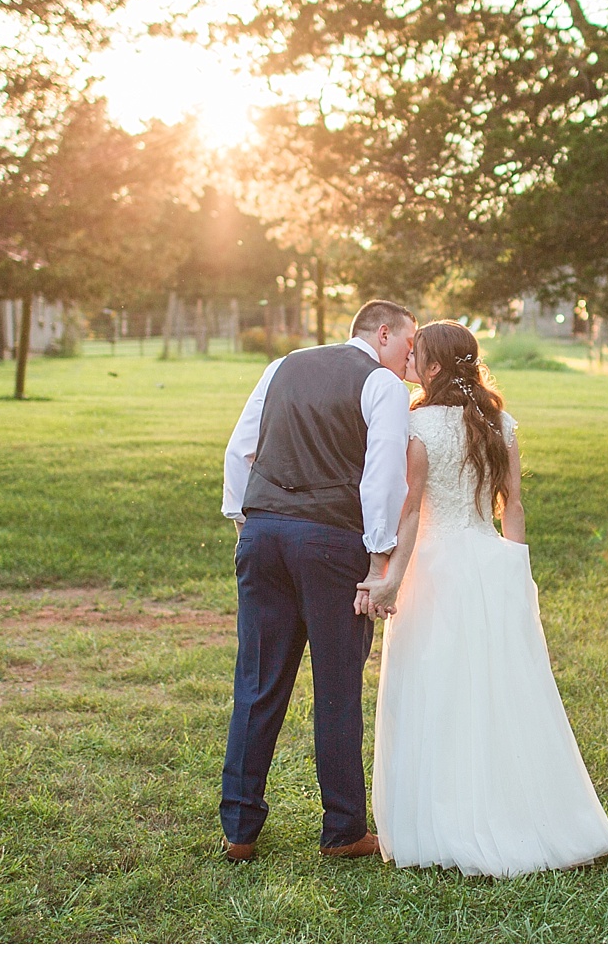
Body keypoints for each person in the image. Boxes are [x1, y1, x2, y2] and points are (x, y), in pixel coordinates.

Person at [357, 320, 608, 877]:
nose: (406, 362)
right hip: (488, 561)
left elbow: (407, 512)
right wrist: (514, 570)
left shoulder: (417, 423)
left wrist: (390, 577)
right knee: (497, 691)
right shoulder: (500, 422)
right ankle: (525, 814)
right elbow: (513, 507)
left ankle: (443, 822)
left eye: (415, 355)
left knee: (437, 691)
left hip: (434, 570)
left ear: (431, 369)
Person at [217, 299, 416, 862]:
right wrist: (379, 558)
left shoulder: (284, 365)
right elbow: (382, 477)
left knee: (257, 682)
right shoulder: (381, 384)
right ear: (383, 333)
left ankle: (239, 829)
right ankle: (344, 830)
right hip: (330, 544)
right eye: (408, 343)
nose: (410, 358)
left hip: (264, 536)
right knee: (336, 687)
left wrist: (245, 521)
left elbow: (240, 449)